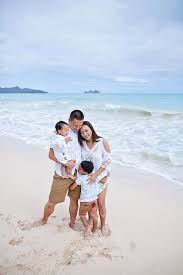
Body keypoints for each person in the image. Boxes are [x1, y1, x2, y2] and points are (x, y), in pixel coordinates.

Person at [41, 110, 84, 228]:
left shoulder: (81, 132)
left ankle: (72, 223)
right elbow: (51, 155)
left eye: (80, 125)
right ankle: (44, 219)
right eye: (75, 125)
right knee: (52, 202)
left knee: (74, 200)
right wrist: (65, 163)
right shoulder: (59, 134)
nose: (78, 127)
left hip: (77, 174)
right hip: (62, 174)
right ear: (69, 120)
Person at [78, 121, 111, 235]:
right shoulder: (82, 143)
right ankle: (91, 221)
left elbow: (108, 161)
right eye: (82, 132)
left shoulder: (102, 141)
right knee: (91, 203)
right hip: (88, 180)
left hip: (100, 178)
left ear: (91, 129)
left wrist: (101, 175)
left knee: (101, 204)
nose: (85, 134)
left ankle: (102, 226)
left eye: (86, 130)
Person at [70, 160, 107, 236]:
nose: (78, 169)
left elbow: (72, 188)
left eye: (80, 169)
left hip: (86, 202)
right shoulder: (95, 177)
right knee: (94, 215)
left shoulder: (81, 179)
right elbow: (105, 175)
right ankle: (94, 230)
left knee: (82, 214)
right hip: (94, 200)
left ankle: (87, 228)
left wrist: (71, 183)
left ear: (85, 172)